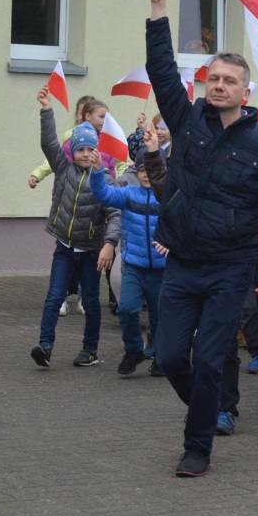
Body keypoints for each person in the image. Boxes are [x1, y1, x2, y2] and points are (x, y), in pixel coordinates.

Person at [146, 0, 258, 477]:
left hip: (231, 268)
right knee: (170, 356)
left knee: (210, 360)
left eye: (229, 80)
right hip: (183, 262)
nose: (219, 85)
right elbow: (161, 71)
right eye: (213, 78)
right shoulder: (188, 122)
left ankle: (198, 446)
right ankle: (205, 412)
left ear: (246, 90)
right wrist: (158, 11)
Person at [30, 87, 120, 369]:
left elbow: (115, 215)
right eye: (79, 149)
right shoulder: (64, 167)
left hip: (92, 252)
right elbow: (49, 144)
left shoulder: (103, 179)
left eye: (89, 150)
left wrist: (109, 244)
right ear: (73, 151)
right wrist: (46, 109)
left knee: (92, 302)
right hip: (65, 248)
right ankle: (45, 346)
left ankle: (89, 351)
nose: (84, 154)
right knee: (54, 296)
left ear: (97, 152)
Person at [88, 137, 166, 377]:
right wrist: (97, 171)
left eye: (149, 170)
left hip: (163, 270)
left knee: (160, 317)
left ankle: (158, 355)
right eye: (141, 169)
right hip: (134, 267)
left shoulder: (168, 196)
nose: (145, 175)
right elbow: (104, 194)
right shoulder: (128, 194)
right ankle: (133, 350)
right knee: (127, 310)